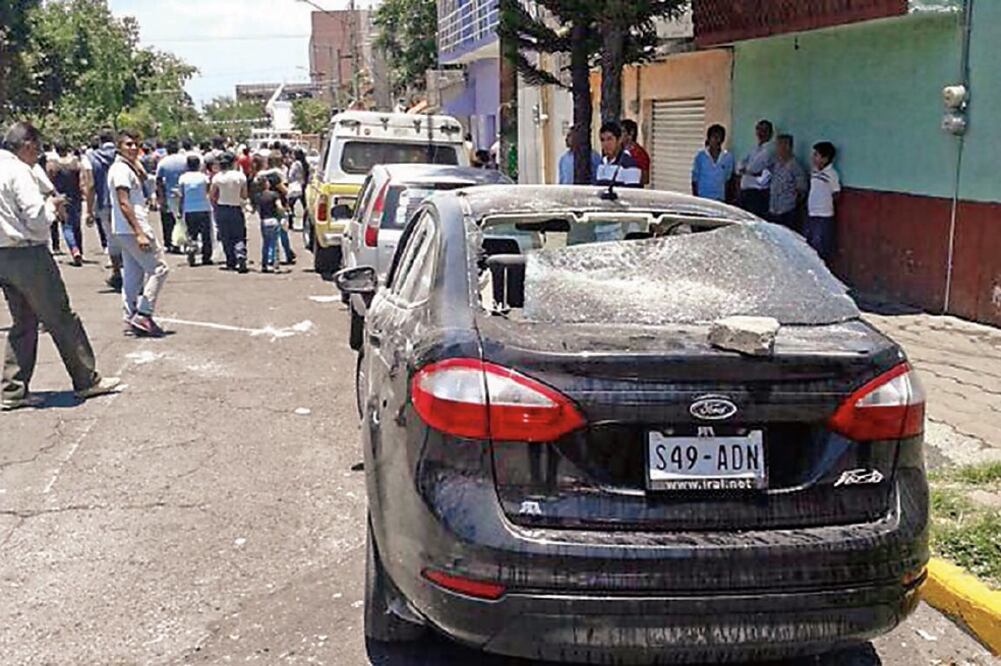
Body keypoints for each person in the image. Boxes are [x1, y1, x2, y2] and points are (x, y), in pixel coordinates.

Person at [0, 121, 121, 410]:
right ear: (27, 146)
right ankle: (86, 380)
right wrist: (53, 207)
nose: (39, 156)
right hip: (27, 253)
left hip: (2, 254)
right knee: (60, 316)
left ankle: (12, 389)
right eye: (37, 150)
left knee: (24, 321)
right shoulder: (18, 171)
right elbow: (36, 219)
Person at [110, 129, 170, 337]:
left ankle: (130, 316)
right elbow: (124, 202)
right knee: (159, 269)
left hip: (124, 228)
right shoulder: (120, 170)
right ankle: (143, 314)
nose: (133, 148)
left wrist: (136, 163)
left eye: (136, 144)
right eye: (128, 144)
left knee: (133, 274)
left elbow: (145, 179)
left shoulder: (128, 167)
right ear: (118, 146)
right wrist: (139, 233)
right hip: (133, 227)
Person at [85, 129, 121, 290]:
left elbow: (91, 185)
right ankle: (132, 271)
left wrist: (89, 210)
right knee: (128, 235)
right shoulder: (121, 154)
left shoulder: (91, 157)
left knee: (111, 238)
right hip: (123, 199)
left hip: (104, 203)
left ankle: (117, 273)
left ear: (99, 140)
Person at [210, 152, 249, 273]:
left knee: (225, 236)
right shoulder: (240, 176)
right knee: (239, 235)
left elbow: (212, 195)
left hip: (222, 208)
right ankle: (240, 253)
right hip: (236, 208)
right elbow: (244, 195)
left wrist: (214, 206)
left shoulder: (217, 177)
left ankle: (230, 261)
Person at [49, 141, 85, 266]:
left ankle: (74, 250)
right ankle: (80, 250)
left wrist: (53, 196)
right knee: (77, 226)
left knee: (66, 226)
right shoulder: (76, 163)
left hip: (61, 198)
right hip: (76, 198)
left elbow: (49, 183)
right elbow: (82, 182)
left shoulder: (53, 165)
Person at [805, 141, 841, 262]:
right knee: (808, 243)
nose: (813, 157)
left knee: (820, 245)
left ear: (825, 159)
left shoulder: (832, 174)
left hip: (824, 215)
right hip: (812, 212)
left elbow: (836, 193)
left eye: (816, 155)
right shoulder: (814, 171)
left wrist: (825, 203)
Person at [767, 134, 808, 232]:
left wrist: (792, 201)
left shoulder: (795, 166)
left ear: (787, 147)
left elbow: (802, 190)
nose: (776, 148)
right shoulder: (776, 164)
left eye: (779, 145)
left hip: (787, 210)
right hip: (774, 208)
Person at [178, 154, 213, 267]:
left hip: (189, 209)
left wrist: (180, 209)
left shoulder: (183, 178)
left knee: (192, 234)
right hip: (203, 207)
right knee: (206, 234)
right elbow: (208, 192)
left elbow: (181, 195)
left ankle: (191, 251)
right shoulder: (204, 177)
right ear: (198, 165)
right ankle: (206, 257)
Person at [736, 119, 775, 217]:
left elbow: (755, 167)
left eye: (764, 130)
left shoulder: (770, 150)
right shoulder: (754, 148)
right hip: (745, 191)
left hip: (757, 193)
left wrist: (746, 170)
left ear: (770, 133)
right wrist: (744, 169)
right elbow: (740, 163)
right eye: (758, 129)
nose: (760, 133)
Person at [155, 139, 186, 254]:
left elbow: (159, 181)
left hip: (170, 194)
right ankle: (184, 241)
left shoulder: (163, 162)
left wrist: (161, 197)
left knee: (168, 220)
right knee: (182, 219)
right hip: (184, 194)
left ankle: (171, 243)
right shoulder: (185, 160)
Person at [691, 124, 735, 202]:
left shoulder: (728, 157)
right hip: (703, 198)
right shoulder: (701, 156)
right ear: (709, 138)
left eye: (720, 138)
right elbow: (695, 179)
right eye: (715, 137)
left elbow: (728, 180)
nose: (718, 141)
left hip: (719, 198)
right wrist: (696, 198)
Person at [595, 121, 643, 189]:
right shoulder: (602, 163)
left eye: (609, 139)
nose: (605, 144)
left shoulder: (629, 165)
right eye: (602, 140)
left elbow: (633, 195)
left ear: (619, 140)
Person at [253, 175, 284, 273]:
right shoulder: (274, 195)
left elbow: (254, 209)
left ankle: (264, 265)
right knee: (275, 244)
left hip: (264, 221)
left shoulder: (257, 196)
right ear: (266, 184)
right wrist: (284, 213)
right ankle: (276, 266)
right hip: (274, 220)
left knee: (265, 244)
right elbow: (279, 207)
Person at [621, 119, 650, 187]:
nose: (619, 134)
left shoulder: (640, 154)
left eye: (622, 131)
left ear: (631, 133)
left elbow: (645, 179)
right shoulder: (617, 150)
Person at [287, 148, 309, 231]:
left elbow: (291, 175)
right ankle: (305, 224)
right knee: (305, 206)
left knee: (290, 205)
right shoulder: (305, 164)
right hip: (303, 185)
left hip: (295, 186)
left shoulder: (295, 164)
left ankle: (290, 223)